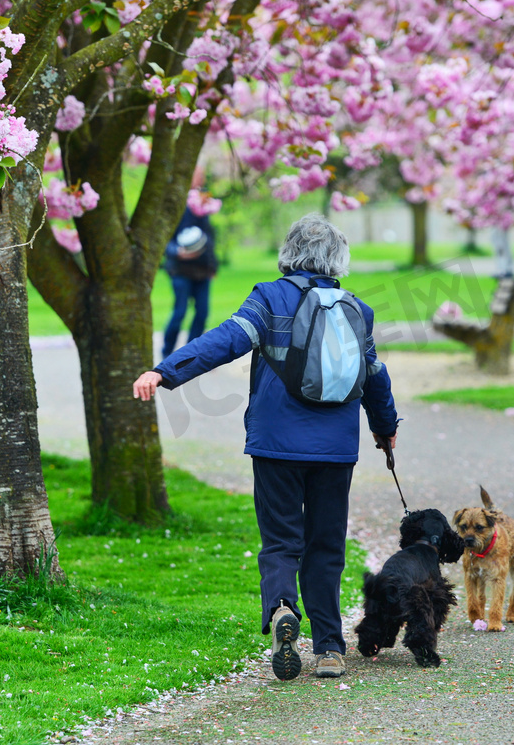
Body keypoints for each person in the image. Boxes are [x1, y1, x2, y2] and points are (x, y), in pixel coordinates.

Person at [133, 214, 399, 681]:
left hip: (276, 445)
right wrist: (385, 426)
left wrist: (166, 371)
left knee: (281, 542)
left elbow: (226, 340)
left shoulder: (270, 298)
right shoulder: (357, 307)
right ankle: (331, 648)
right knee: (326, 546)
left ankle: (281, 610)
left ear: (289, 253)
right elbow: (374, 375)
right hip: (336, 449)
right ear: (338, 258)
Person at [161, 205, 219, 360]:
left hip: (202, 272)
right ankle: (167, 351)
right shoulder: (175, 207)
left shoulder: (203, 209)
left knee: (202, 312)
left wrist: (213, 266)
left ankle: (190, 352)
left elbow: (210, 240)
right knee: (180, 312)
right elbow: (164, 240)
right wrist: (177, 252)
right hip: (180, 271)